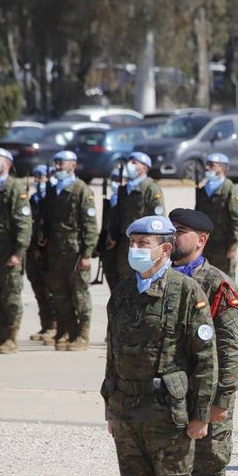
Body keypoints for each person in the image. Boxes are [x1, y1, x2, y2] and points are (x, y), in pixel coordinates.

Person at [103, 215, 217, 476]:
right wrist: (110, 404)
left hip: (168, 412)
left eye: (143, 242)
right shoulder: (122, 293)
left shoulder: (187, 292)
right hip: (127, 409)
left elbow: (206, 359)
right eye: (132, 240)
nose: (135, 248)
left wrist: (200, 414)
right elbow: (112, 353)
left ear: (166, 249)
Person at [167, 208, 238, 476]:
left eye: (180, 231)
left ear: (201, 240)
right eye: (171, 230)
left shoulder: (216, 285)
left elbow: (234, 351)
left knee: (208, 474)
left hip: (207, 399)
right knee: (175, 474)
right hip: (171, 399)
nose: (173, 237)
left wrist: (221, 401)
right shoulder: (163, 279)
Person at [42, 150, 98, 350]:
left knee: (79, 294)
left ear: (73, 165)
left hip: (75, 252)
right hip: (55, 252)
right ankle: (68, 331)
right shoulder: (53, 189)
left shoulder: (81, 190)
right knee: (60, 294)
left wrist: (87, 254)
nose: (57, 167)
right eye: (56, 163)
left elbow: (90, 226)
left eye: (61, 163)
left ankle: (82, 336)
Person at [0, 147, 32, 354]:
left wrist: (18, 252)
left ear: (7, 163)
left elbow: (23, 223)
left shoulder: (14, 187)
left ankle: (11, 338)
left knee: (10, 297)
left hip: (7, 253)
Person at [107, 152, 165, 285]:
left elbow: (158, 220)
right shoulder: (124, 189)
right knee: (123, 278)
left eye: (134, 162)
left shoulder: (151, 188)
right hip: (124, 242)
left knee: (142, 279)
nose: (129, 165)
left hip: (144, 244)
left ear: (144, 168)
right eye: (129, 161)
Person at [195, 153, 238, 279]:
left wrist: (233, 247)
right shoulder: (203, 189)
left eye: (211, 165)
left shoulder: (230, 189)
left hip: (223, 246)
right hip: (205, 244)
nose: (207, 168)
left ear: (222, 168)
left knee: (225, 281)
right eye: (207, 165)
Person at [25, 165, 56, 343]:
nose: (38, 180)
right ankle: (46, 324)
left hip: (49, 250)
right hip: (33, 248)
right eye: (36, 177)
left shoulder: (51, 199)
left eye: (42, 177)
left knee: (50, 290)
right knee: (38, 289)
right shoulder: (33, 199)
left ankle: (54, 326)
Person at [99, 162, 126, 290]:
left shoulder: (128, 200)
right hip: (110, 251)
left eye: (119, 179)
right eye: (114, 179)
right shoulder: (111, 200)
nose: (116, 183)